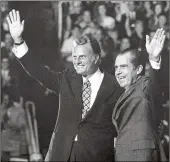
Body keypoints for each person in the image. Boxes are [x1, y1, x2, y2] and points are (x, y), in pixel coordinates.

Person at [7, 9, 122, 161]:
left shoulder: (114, 85)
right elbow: (39, 72)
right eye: (74, 57)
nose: (77, 61)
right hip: (63, 154)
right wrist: (19, 41)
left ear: (96, 58)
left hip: (97, 155)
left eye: (82, 57)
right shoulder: (67, 78)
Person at [113, 28, 167, 161]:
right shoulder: (122, 94)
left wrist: (154, 58)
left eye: (123, 67)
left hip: (141, 156)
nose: (118, 72)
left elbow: (154, 84)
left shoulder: (144, 85)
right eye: (116, 67)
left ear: (138, 70)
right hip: (123, 154)